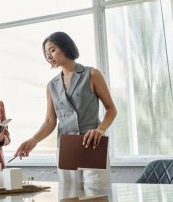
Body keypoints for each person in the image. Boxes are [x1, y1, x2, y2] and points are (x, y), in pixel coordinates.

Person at [14, 31, 117, 185]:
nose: (49, 56)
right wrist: (33, 140)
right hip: (66, 148)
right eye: (46, 53)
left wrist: (100, 130)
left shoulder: (91, 74)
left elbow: (111, 109)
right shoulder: (51, 86)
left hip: (93, 144)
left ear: (66, 47)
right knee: (69, 196)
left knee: (97, 196)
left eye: (52, 50)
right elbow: (50, 121)